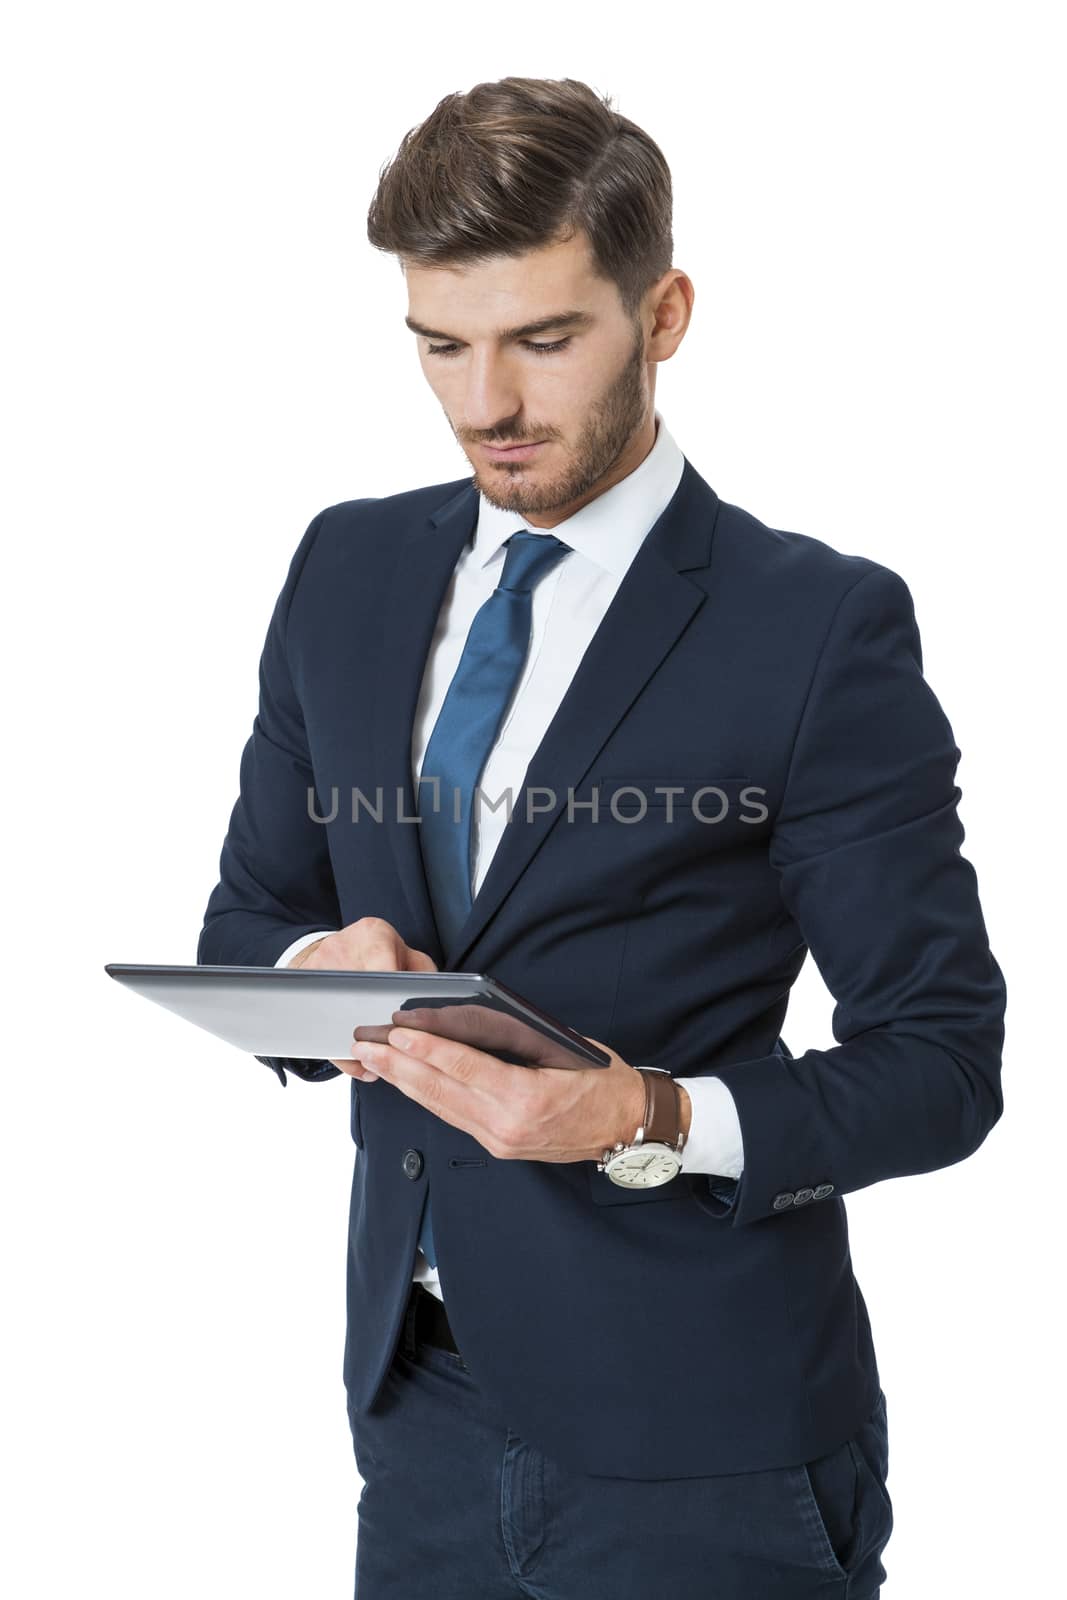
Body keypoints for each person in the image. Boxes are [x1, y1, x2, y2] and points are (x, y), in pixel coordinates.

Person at [197, 75, 1006, 1599]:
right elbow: (248, 919)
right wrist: (323, 964)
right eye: (441, 346)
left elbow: (945, 1065)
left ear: (666, 312)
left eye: (544, 340)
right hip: (417, 1417)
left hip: (712, 1446)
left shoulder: (818, 629)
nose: (484, 404)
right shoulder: (347, 570)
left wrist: (641, 1114)